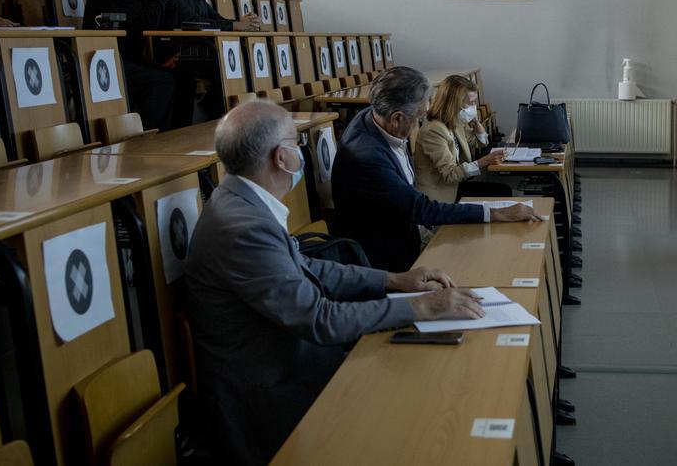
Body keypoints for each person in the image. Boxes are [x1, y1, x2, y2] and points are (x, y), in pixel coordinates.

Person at [185, 100, 484, 465]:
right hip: (271, 395)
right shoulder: (243, 227)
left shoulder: (240, 200)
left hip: (297, 361)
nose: (302, 153)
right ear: (281, 158)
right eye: (298, 143)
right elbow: (320, 320)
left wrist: (392, 280)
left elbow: (306, 265)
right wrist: (422, 305)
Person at [331, 66, 540, 271]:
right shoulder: (368, 157)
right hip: (388, 257)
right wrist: (499, 214)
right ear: (397, 118)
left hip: (406, 228)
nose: (420, 124)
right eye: (418, 118)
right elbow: (421, 209)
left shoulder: (373, 115)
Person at [82, 0, 195, 130]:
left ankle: (178, 136)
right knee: (161, 81)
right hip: (108, 60)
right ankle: (151, 138)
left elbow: (162, 28)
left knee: (185, 77)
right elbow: (144, 25)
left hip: (131, 59)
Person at [414, 74, 509, 203]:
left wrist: (475, 121)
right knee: (501, 192)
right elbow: (450, 174)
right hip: (442, 195)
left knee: (503, 190)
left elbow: (481, 142)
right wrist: (484, 161)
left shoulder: (454, 123)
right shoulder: (433, 131)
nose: (474, 106)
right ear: (454, 104)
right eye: (470, 103)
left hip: (455, 186)